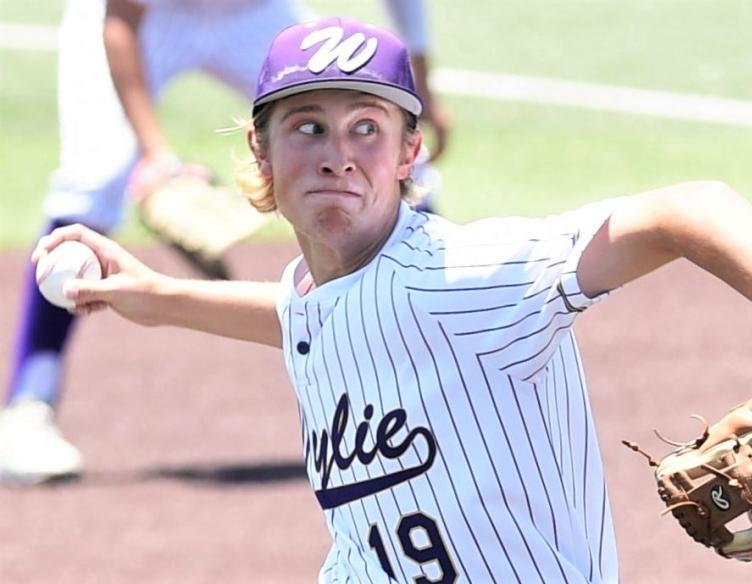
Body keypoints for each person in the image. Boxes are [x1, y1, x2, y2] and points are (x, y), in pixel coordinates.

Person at [29, 17, 752, 582]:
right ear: (261, 147)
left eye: (367, 128)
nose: (336, 154)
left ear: (408, 153)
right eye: (307, 127)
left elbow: (694, 208)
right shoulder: (322, 290)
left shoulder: (471, 274)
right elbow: (308, 317)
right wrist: (160, 295)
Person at [0, 0, 450, 485]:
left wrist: (419, 87)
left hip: (252, 12)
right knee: (97, 172)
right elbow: (122, 20)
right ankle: (29, 404)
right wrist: (157, 157)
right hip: (143, 19)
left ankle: (439, 365)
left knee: (394, 151)